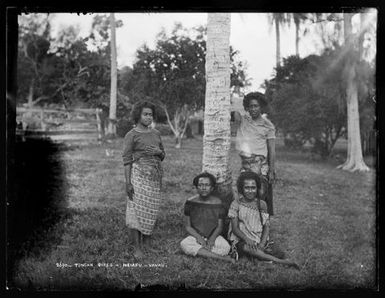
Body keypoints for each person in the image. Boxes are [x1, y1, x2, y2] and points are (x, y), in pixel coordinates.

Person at [228, 171, 299, 269]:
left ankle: (259, 258)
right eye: (247, 188)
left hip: (258, 238)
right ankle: (282, 262)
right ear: (241, 189)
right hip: (242, 240)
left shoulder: (262, 204)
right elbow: (235, 229)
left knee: (277, 251)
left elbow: (266, 226)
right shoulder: (236, 204)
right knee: (247, 248)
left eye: (253, 188)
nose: (250, 191)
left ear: (257, 188)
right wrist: (247, 239)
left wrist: (262, 243)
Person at [122, 101, 165, 258]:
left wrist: (158, 151)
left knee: (150, 211)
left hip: (154, 178)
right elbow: (127, 161)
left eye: (151, 114)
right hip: (138, 177)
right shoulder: (131, 135)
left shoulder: (156, 134)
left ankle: (147, 242)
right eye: (145, 114)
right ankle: (137, 247)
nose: (149, 117)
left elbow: (163, 155)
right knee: (135, 211)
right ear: (138, 115)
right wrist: (128, 183)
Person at [233, 91, 276, 215]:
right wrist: (234, 113)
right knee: (242, 195)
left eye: (256, 106)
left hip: (260, 166)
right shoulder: (244, 120)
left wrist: (272, 171)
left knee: (260, 195)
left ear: (261, 107)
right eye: (250, 106)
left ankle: (259, 224)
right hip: (245, 165)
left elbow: (271, 150)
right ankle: (244, 223)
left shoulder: (268, 126)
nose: (253, 109)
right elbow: (233, 115)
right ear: (247, 107)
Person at [180, 172, 235, 263]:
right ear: (196, 187)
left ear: (212, 188)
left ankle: (201, 252)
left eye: (207, 185)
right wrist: (199, 238)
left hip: (213, 236)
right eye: (200, 185)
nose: (204, 188)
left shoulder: (218, 203)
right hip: (196, 236)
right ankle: (223, 258)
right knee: (184, 244)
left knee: (226, 247)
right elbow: (188, 226)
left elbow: (219, 226)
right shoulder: (190, 202)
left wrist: (211, 240)